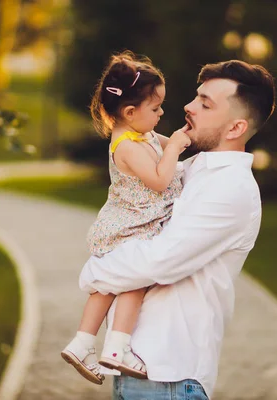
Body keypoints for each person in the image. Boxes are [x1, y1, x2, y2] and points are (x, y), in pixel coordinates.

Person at [79, 59, 276, 399]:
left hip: (170, 378)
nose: (188, 106)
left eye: (205, 103)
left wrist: (95, 273)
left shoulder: (231, 189)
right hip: (145, 370)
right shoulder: (195, 168)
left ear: (234, 128)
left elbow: (161, 262)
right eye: (196, 96)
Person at [61, 51, 191, 385]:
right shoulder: (126, 146)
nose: (162, 113)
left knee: (107, 285)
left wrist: (182, 139)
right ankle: (117, 348)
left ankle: (82, 343)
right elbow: (159, 180)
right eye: (156, 107)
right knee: (132, 281)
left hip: (127, 225)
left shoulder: (141, 134)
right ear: (131, 112)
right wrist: (175, 147)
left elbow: (168, 148)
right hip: (133, 227)